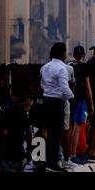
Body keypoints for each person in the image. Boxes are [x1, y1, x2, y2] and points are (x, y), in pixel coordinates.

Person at [40, 42, 75, 172]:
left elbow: (42, 86)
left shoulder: (44, 67)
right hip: (57, 104)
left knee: (48, 134)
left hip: (46, 103)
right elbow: (65, 88)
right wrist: (72, 97)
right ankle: (53, 163)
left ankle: (48, 162)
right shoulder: (62, 68)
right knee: (56, 134)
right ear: (63, 54)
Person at [0, 91, 33, 172]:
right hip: (20, 153)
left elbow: (3, 133)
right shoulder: (22, 113)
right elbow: (29, 133)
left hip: (7, 155)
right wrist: (30, 150)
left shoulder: (2, 113)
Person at [68, 46, 93, 165]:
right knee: (78, 127)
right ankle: (73, 154)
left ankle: (68, 153)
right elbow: (88, 87)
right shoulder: (85, 66)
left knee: (70, 126)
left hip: (69, 100)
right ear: (83, 55)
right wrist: (91, 104)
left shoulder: (68, 66)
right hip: (81, 101)